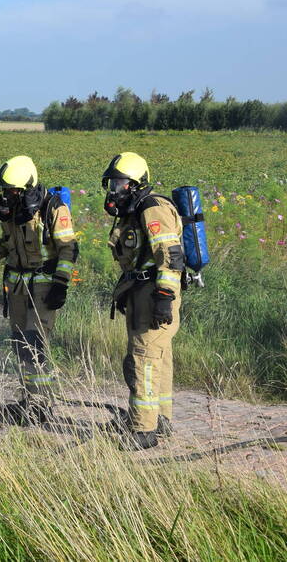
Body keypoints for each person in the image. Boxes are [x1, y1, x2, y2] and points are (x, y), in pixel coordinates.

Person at [0, 155, 78, 424]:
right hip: (17, 287)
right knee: (21, 345)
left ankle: (41, 405)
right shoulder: (11, 212)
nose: (6, 196)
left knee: (36, 344)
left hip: (44, 288)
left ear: (27, 188)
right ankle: (28, 401)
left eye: (11, 190)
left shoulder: (52, 209)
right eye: (4, 190)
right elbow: (10, 244)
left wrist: (61, 284)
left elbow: (68, 248)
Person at [101, 152, 182, 450]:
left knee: (143, 360)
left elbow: (170, 256)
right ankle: (159, 419)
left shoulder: (152, 208)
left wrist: (164, 297)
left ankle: (143, 429)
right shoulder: (134, 210)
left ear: (135, 184)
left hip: (154, 294)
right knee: (156, 358)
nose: (113, 189)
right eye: (111, 183)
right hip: (141, 292)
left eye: (119, 182)